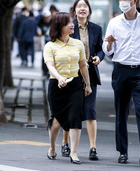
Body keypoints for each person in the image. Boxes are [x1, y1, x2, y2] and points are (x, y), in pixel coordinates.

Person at [102, 0, 140, 166]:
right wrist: (109, 44)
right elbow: (107, 51)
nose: (122, 3)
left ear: (135, 1)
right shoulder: (114, 23)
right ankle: (123, 151)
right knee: (121, 112)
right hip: (121, 71)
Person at [43, 12, 92, 165]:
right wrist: (59, 77)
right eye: (67, 23)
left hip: (75, 85)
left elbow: (83, 65)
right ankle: (52, 147)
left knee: (75, 117)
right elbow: (50, 65)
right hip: (56, 86)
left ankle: (74, 152)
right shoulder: (50, 45)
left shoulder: (77, 44)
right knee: (57, 120)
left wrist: (88, 84)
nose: (72, 25)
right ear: (59, 27)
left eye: (72, 22)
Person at [60, 0, 104, 160]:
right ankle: (65, 143)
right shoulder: (68, 27)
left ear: (89, 10)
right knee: (72, 111)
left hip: (90, 74)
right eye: (79, 6)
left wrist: (99, 58)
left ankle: (93, 147)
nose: (82, 9)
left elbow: (100, 49)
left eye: (85, 6)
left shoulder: (97, 29)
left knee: (90, 111)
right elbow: (61, 47)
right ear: (74, 11)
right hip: (71, 74)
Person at [37, 9, 52, 76]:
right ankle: (44, 70)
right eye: (46, 17)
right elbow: (38, 32)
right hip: (43, 41)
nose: (47, 19)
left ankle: (50, 70)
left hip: (51, 41)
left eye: (48, 17)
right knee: (44, 57)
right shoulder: (40, 23)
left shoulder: (52, 22)